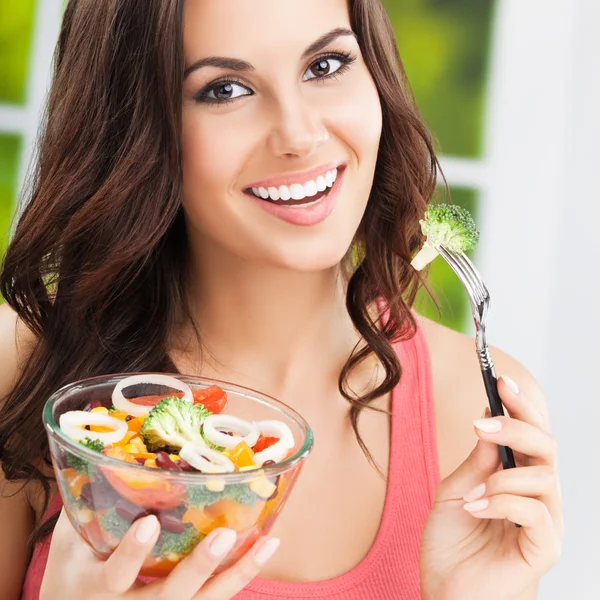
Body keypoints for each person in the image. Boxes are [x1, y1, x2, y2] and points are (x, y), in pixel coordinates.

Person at [0, 1, 562, 599]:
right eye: (224, 89)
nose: (300, 134)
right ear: (134, 122)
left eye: (325, 65)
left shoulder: (478, 409)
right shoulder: (26, 368)